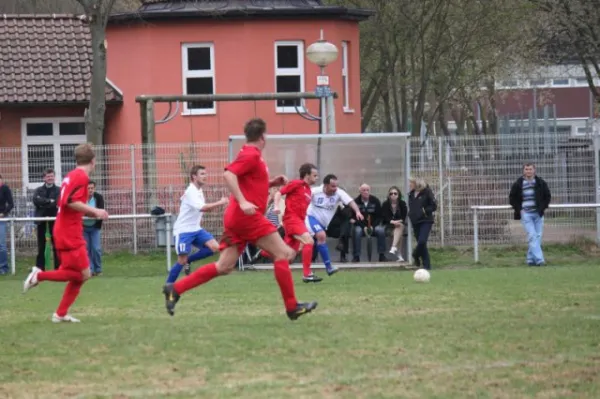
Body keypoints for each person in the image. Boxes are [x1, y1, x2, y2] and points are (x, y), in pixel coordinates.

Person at [162, 118, 317, 321]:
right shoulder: (252, 155)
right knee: (285, 253)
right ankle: (291, 306)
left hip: (237, 218)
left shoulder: (250, 154)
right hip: (246, 218)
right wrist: (243, 202)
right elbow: (229, 174)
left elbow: (248, 182)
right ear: (263, 136)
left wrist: (271, 183)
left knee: (224, 266)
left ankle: (175, 288)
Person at [23, 143, 109, 323]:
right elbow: (69, 201)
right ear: (93, 161)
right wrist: (96, 211)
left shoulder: (71, 175)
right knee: (83, 274)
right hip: (69, 232)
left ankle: (60, 314)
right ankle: (39, 275)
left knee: (77, 274)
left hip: (66, 229)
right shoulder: (81, 177)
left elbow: (64, 201)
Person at [166, 165, 228, 284]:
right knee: (181, 260)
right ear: (194, 177)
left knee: (215, 248)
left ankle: (189, 260)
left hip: (196, 229)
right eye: (202, 174)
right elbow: (203, 208)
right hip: (183, 231)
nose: (206, 176)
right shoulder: (191, 191)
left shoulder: (198, 190)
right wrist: (221, 202)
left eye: (206, 174)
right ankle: (168, 287)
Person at [261, 163, 320, 282]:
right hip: (292, 220)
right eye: (314, 175)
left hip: (299, 221)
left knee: (289, 256)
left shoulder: (308, 190)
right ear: (307, 175)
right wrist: (276, 206)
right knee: (309, 241)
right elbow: (279, 193)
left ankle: (267, 252)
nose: (316, 178)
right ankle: (307, 274)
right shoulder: (296, 184)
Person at [305, 174, 364, 275]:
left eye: (336, 186)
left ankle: (322, 268)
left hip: (323, 224)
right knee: (321, 235)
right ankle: (327, 267)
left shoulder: (339, 193)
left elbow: (351, 202)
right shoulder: (315, 191)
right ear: (325, 185)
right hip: (310, 218)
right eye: (332, 186)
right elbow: (304, 198)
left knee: (311, 242)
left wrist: (357, 212)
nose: (335, 188)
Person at [509, 162, 551, 266]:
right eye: (526, 169)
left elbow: (547, 196)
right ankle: (540, 260)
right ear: (524, 171)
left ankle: (530, 259)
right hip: (526, 214)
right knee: (532, 236)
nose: (528, 171)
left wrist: (542, 208)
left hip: (538, 214)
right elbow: (512, 198)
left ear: (534, 170)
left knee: (538, 236)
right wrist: (520, 210)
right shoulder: (518, 184)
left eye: (530, 169)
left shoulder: (541, 183)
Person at [32, 168, 60, 271]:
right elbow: (36, 200)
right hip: (41, 220)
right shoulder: (38, 190)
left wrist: (44, 202)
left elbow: (57, 202)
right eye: (48, 176)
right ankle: (40, 268)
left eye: (52, 176)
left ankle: (58, 268)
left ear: (54, 177)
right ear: (44, 178)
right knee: (41, 245)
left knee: (56, 244)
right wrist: (49, 201)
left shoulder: (59, 190)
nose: (50, 178)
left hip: (55, 221)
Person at [351, 183, 386, 262]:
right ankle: (356, 256)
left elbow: (379, 216)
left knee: (381, 230)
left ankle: (382, 255)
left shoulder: (375, 201)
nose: (366, 192)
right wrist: (364, 227)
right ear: (360, 191)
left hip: (373, 226)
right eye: (364, 190)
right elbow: (354, 218)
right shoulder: (355, 202)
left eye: (367, 190)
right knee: (357, 231)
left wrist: (372, 226)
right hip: (361, 226)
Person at [408, 177, 437, 270]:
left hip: (426, 221)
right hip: (415, 221)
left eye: (411, 183)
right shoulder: (411, 194)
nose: (409, 185)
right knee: (422, 245)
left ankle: (415, 254)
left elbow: (434, 205)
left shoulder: (427, 192)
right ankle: (426, 266)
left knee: (422, 241)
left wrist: (424, 211)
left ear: (417, 184)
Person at [83, 181, 105, 276]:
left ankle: (98, 269)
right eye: (88, 188)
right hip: (83, 227)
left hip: (95, 227)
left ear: (94, 188)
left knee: (96, 248)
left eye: (92, 188)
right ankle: (90, 269)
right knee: (86, 249)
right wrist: (92, 213)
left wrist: (89, 213)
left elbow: (100, 212)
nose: (90, 190)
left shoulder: (99, 198)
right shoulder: (81, 198)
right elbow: (80, 212)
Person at [381, 186, 408, 262]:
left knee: (400, 226)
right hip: (388, 227)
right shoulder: (385, 204)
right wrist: (392, 222)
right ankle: (399, 255)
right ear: (389, 195)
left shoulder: (402, 204)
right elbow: (384, 217)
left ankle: (393, 247)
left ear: (398, 195)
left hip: (399, 224)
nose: (393, 195)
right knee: (400, 235)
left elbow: (403, 216)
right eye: (391, 193)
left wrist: (397, 222)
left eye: (395, 193)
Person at [0, 174, 14, 275]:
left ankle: (3, 267)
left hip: (1, 219)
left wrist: (3, 213)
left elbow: (11, 204)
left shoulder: (5, 189)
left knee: (1, 245)